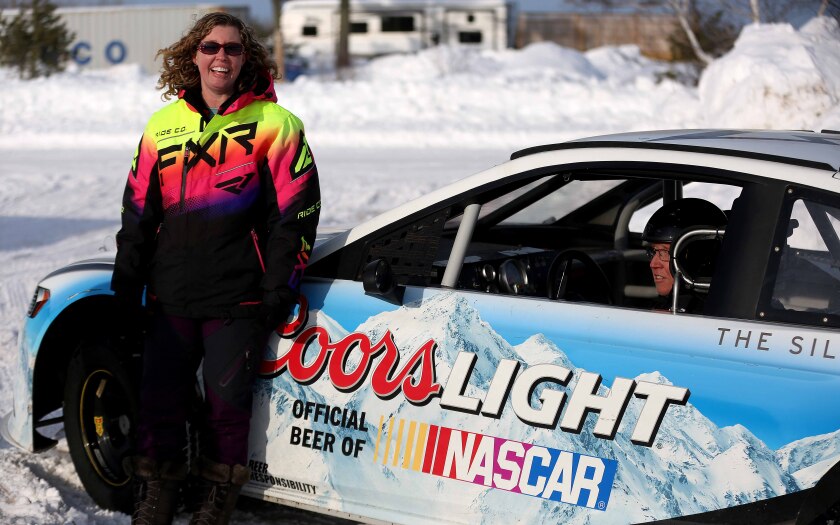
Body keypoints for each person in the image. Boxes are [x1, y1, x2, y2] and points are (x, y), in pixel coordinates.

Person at [110, 12, 320, 525]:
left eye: (232, 48)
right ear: (193, 55)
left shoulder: (277, 125)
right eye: (210, 47)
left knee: (227, 408)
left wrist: (279, 286)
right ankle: (158, 494)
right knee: (160, 402)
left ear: (246, 57)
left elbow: (297, 215)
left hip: (239, 299)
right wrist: (126, 284)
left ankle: (216, 499)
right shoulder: (163, 126)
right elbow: (138, 212)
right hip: (170, 296)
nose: (221, 56)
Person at [641, 198, 726, 313]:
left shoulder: (704, 316)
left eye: (664, 252)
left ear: (697, 257)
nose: (653, 264)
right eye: (653, 251)